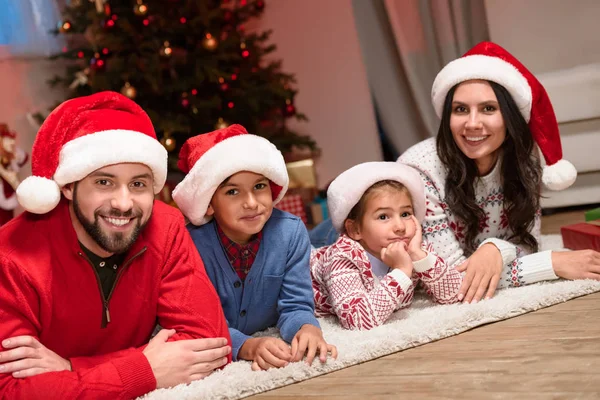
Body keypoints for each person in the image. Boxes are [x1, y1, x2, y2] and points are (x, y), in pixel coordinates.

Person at [0, 92, 231, 399]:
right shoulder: (13, 256)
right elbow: (10, 390)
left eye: (138, 184)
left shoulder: (166, 227)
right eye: (104, 182)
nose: (124, 204)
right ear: (68, 186)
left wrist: (70, 368)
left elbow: (211, 346)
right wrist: (143, 370)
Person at [398, 41, 600, 304]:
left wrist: (496, 249)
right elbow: (451, 282)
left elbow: (527, 243)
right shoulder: (420, 170)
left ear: (510, 116)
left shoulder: (524, 159)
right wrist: (552, 263)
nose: (472, 123)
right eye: (460, 109)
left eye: (488, 108)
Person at [172, 124, 337, 371]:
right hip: (218, 334)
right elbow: (200, 324)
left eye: (259, 187)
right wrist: (247, 346)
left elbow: (296, 304)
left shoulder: (290, 232)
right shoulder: (191, 245)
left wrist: (307, 328)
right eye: (232, 191)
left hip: (309, 239)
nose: (251, 203)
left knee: (331, 234)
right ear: (208, 204)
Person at [310, 162, 463, 330]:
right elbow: (357, 321)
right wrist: (402, 271)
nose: (400, 226)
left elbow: (455, 294)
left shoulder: (413, 247)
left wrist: (419, 256)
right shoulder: (342, 259)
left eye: (405, 214)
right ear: (355, 229)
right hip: (301, 267)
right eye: (383, 217)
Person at [0, 124, 28, 226]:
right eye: (8, 139)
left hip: (8, 199)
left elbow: (23, 158)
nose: (12, 142)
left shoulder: (12, 156)